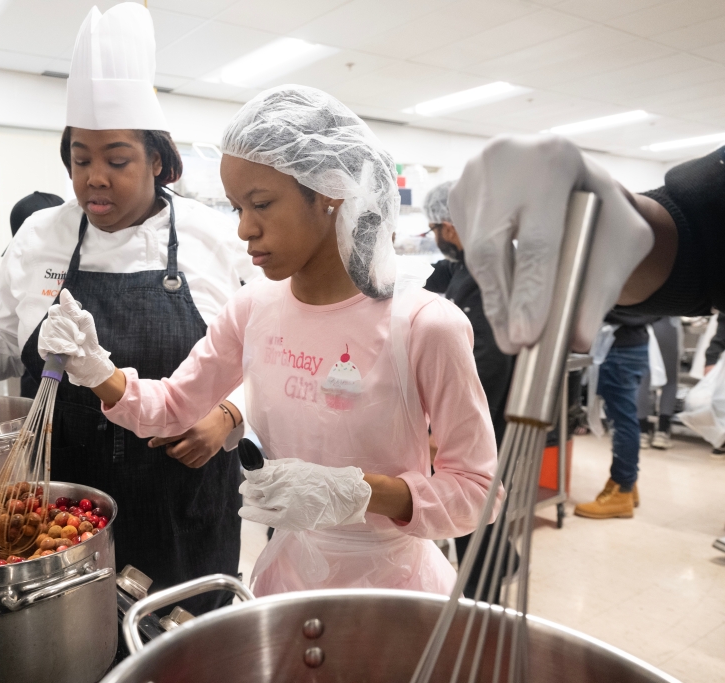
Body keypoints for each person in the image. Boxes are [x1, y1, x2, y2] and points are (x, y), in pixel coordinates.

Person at [37, 85, 498, 597]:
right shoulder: (256, 306)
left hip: (393, 590)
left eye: (261, 204)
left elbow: (477, 493)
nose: (243, 230)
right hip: (288, 580)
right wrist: (99, 372)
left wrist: (359, 492)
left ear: (329, 193)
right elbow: (174, 405)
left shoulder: (424, 325)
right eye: (237, 207)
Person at [0, 3, 254, 614]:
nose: (94, 179)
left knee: (183, 645)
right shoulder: (39, 239)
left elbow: (265, 353)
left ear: (157, 160)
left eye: (117, 160)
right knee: (67, 642)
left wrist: (231, 416)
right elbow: (4, 344)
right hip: (58, 495)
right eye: (81, 160)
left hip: (182, 492)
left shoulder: (216, 239)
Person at [447, 137, 724, 549]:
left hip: (624, 347)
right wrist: (641, 219)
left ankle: (625, 483)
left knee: (624, 414)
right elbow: (700, 243)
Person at [423, 180, 515, 598]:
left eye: (435, 229)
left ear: (450, 225)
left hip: (489, 410)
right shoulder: (468, 264)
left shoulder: (487, 267)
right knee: (477, 498)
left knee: (474, 500)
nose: (438, 239)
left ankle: (484, 595)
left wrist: (447, 426)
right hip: (483, 409)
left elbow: (486, 356)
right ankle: (503, 561)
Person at [575, 311, 657, 519]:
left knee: (622, 421)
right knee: (625, 418)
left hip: (618, 346)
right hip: (633, 341)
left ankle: (622, 490)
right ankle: (626, 482)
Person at [637, 317, 680, 450]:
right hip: (666, 323)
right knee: (670, 380)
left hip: (641, 323)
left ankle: (642, 431)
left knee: (643, 380)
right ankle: (662, 431)